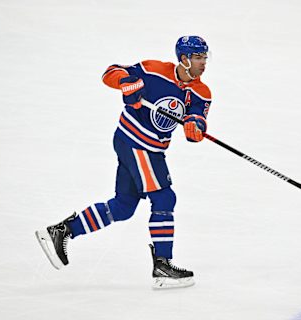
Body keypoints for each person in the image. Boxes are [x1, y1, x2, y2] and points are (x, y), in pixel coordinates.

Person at [35, 36, 211, 289]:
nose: (203, 62)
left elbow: (197, 116)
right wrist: (127, 82)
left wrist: (196, 127)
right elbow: (111, 72)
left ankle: (62, 231)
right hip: (136, 142)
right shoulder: (153, 69)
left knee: (124, 206)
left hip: (150, 149)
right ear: (183, 59)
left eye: (205, 57)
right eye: (198, 57)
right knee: (163, 198)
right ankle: (162, 265)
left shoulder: (201, 92)